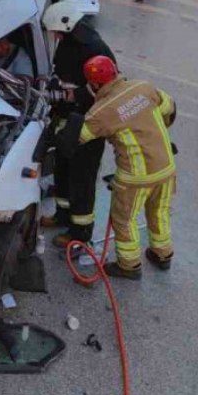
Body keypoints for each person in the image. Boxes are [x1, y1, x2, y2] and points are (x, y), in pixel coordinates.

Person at [77, 56, 177, 280]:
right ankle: (163, 254)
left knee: (124, 219)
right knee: (159, 210)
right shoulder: (144, 87)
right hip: (166, 165)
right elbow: (170, 108)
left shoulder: (100, 112)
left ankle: (129, 265)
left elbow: (79, 138)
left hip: (136, 177)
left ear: (93, 85)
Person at [40, 2, 116, 248]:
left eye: (57, 33)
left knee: (81, 178)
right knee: (62, 169)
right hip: (67, 119)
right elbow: (62, 70)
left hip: (88, 124)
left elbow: (106, 88)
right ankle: (63, 214)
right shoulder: (70, 41)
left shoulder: (95, 49)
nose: (55, 37)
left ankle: (80, 232)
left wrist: (73, 95)